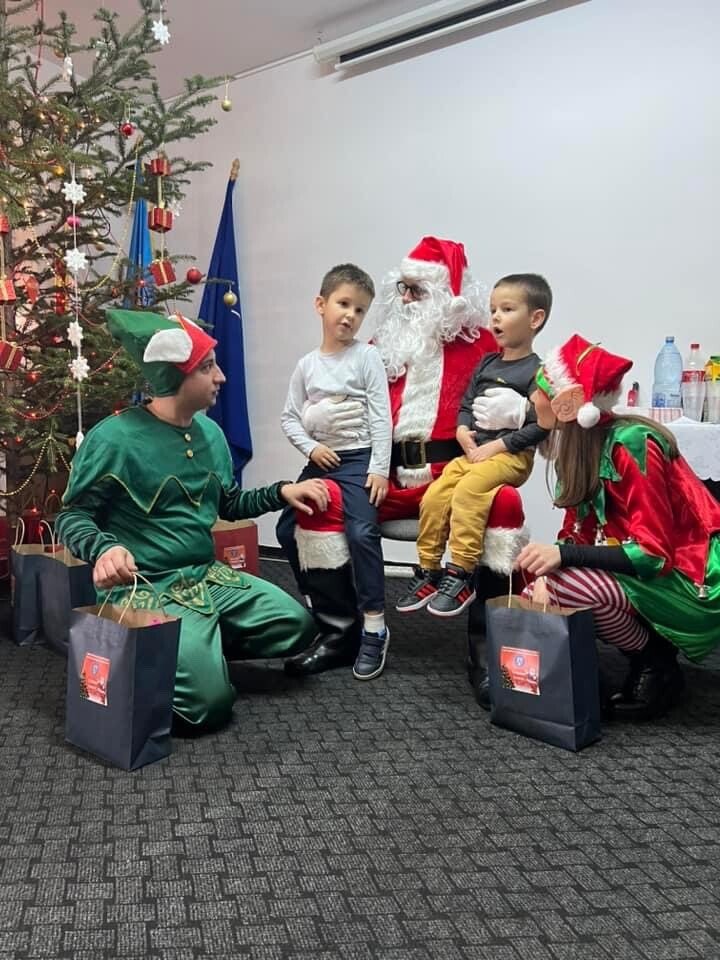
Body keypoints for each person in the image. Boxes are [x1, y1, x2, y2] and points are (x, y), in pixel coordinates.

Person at [55, 309, 330, 733]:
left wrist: (280, 493)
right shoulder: (114, 438)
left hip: (205, 578)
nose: (221, 377)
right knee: (207, 708)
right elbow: (72, 515)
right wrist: (104, 548)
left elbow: (229, 504)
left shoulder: (210, 434)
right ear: (174, 376)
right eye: (207, 367)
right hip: (146, 587)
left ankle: (196, 651)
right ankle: (186, 660)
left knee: (296, 626)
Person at [278, 237, 531, 677]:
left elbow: (543, 397)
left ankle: (490, 645)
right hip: (386, 478)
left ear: (448, 296)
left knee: (504, 503)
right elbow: (346, 404)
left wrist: (523, 410)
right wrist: (315, 420)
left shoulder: (483, 350)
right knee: (316, 501)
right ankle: (340, 633)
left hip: (453, 478)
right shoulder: (380, 347)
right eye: (404, 288)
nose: (408, 299)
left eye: (419, 290)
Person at [514, 333, 720, 722]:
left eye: (540, 389)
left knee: (564, 586)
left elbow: (654, 554)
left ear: (566, 403)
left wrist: (562, 560)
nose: (533, 398)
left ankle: (656, 663)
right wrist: (549, 568)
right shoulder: (579, 449)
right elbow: (576, 532)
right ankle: (580, 676)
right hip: (645, 575)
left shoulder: (632, 444)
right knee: (537, 584)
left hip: (692, 578)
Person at [396, 273, 551, 617]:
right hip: (474, 453)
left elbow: (541, 426)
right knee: (436, 494)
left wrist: (497, 447)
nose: (495, 317)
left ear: (535, 319)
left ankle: (461, 573)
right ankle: (429, 570)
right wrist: (463, 430)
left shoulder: (539, 372)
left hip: (509, 456)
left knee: (469, 491)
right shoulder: (487, 362)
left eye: (507, 309)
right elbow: (467, 403)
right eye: (493, 309)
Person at [279, 263, 392, 681]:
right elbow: (289, 417)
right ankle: (324, 609)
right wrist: (311, 447)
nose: (350, 315)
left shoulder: (366, 357)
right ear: (321, 304)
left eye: (360, 310)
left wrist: (379, 469)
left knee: (361, 533)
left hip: (360, 459)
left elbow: (381, 416)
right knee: (285, 528)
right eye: (344, 304)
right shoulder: (307, 365)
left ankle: (375, 626)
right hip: (323, 459)